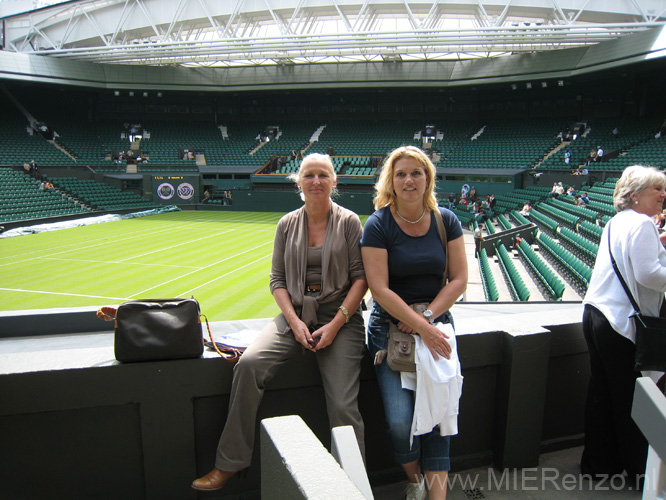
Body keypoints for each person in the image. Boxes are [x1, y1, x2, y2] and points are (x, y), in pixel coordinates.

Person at [191, 153, 368, 492]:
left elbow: (361, 279)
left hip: (340, 319)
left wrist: (334, 325)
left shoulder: (349, 222)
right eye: (308, 175)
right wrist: (293, 320)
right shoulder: (287, 223)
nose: (316, 181)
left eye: (323, 175)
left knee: (344, 405)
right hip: (293, 317)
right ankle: (231, 462)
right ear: (298, 182)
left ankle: (352, 485)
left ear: (335, 182)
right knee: (249, 365)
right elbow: (277, 280)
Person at [360, 146, 468, 500]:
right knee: (399, 422)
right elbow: (379, 288)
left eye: (416, 173)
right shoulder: (378, 224)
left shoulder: (446, 219)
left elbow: (458, 279)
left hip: (435, 323)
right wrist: (419, 324)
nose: (409, 180)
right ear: (391, 181)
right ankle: (415, 478)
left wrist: (426, 319)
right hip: (391, 331)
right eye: (401, 174)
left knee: (439, 416)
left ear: (428, 179)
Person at [581, 165, 666, 488]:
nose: (663, 195)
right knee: (632, 399)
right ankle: (640, 472)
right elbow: (649, 276)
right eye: (656, 189)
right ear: (634, 195)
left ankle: (598, 465)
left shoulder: (617, 221)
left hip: (596, 315)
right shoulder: (642, 223)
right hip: (620, 323)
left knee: (602, 394)